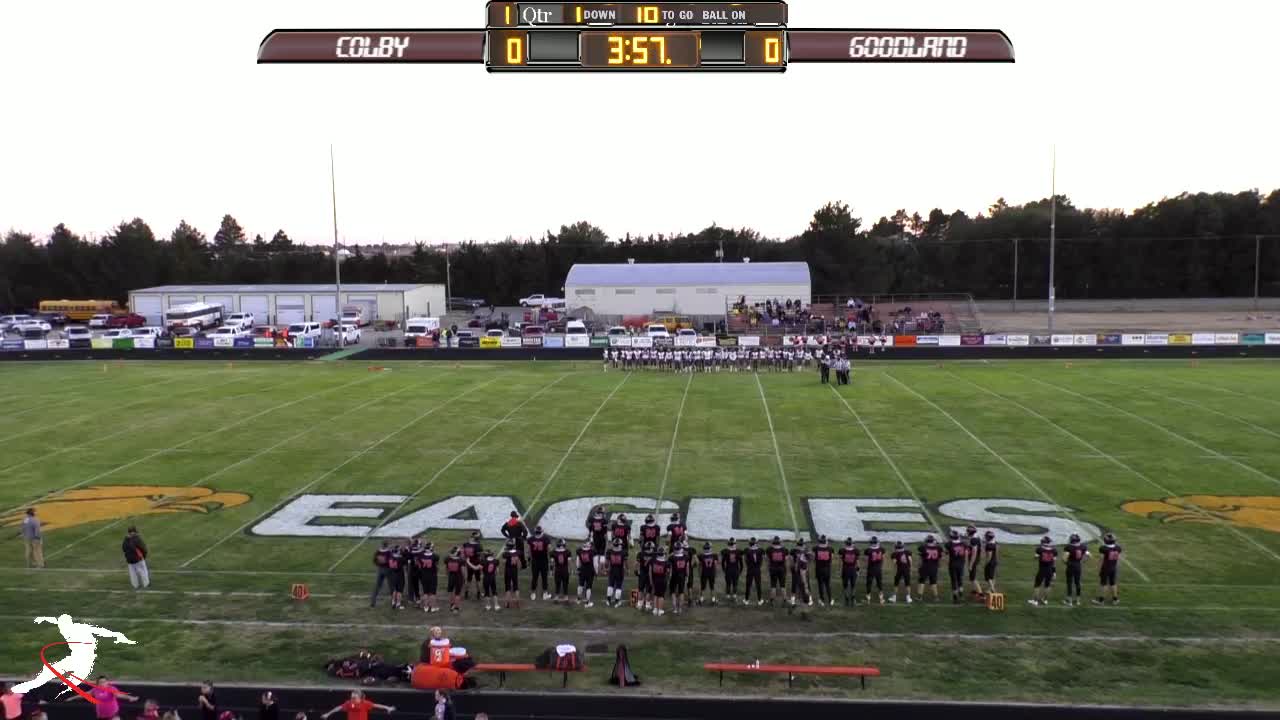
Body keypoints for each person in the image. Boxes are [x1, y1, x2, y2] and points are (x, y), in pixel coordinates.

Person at [320, 691, 394, 720]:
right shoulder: (348, 703)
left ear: (359, 696)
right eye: (352, 695)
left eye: (354, 696)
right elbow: (338, 708)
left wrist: (387, 708)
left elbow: (376, 705)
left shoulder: (365, 703)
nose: (352, 697)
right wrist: (328, 714)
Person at [1094, 532, 1123, 605]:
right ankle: (1115, 599)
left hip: (1106, 568)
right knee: (1113, 583)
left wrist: (1099, 567)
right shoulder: (1118, 548)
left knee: (1103, 584)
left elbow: (1101, 559)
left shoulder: (1103, 548)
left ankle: (1101, 600)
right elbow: (1118, 558)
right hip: (1113, 567)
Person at [1029, 536, 1058, 606]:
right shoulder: (1054, 550)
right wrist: (1054, 572)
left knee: (1037, 585)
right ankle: (1045, 600)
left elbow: (1035, 557)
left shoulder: (1039, 549)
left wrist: (1039, 556)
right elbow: (1054, 562)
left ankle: (1035, 601)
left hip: (1042, 569)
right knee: (1047, 586)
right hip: (1050, 570)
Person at [1063, 533, 1089, 606]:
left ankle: (1069, 601)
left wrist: (1067, 563)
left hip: (1071, 565)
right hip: (1078, 565)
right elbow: (1088, 555)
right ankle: (1078, 601)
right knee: (1077, 582)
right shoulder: (1083, 546)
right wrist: (1082, 561)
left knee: (1069, 583)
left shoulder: (1068, 547)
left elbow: (1064, 558)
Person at [527, 527, 551, 601]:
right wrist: (550, 559)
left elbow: (528, 550)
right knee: (544, 577)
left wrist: (529, 559)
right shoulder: (546, 538)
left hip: (535, 560)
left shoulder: (531, 539)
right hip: (544, 560)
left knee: (534, 577)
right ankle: (545, 594)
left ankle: (533, 594)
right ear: (541, 532)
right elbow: (549, 549)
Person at [416, 541, 440, 613]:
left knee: (425, 592)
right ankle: (433, 607)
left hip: (424, 575)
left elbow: (418, 563)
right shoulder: (435, 556)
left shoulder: (421, 555)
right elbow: (436, 565)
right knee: (432, 593)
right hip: (432, 575)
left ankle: (426, 607)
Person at [916, 535, 942, 602]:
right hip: (934, 567)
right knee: (933, 582)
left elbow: (920, 558)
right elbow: (939, 558)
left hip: (925, 566)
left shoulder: (922, 547)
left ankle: (919, 597)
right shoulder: (938, 548)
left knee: (921, 581)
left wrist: (919, 566)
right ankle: (936, 597)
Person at [946, 529, 968, 604]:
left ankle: (955, 597)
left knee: (953, 580)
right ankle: (961, 594)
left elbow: (947, 552)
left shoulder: (949, 544)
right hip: (961, 564)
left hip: (952, 564)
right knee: (960, 579)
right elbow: (966, 552)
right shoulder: (964, 544)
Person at [586, 506, 609, 574]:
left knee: (595, 554)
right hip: (602, 538)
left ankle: (595, 570)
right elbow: (605, 532)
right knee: (602, 554)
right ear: (601, 513)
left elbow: (590, 528)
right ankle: (602, 570)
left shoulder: (592, 519)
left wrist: (590, 535)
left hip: (595, 537)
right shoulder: (604, 520)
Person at [789, 539, 811, 608]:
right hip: (804, 570)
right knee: (805, 585)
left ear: (797, 544)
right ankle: (809, 600)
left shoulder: (793, 550)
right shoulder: (806, 551)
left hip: (796, 570)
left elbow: (792, 561)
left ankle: (793, 601)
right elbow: (809, 560)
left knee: (794, 585)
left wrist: (792, 568)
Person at [839, 538, 861, 606]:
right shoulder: (856, 551)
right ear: (852, 543)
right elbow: (857, 562)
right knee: (853, 585)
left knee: (845, 585)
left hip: (845, 569)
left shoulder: (842, 550)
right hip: (852, 569)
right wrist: (858, 570)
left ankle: (847, 599)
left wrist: (840, 570)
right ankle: (853, 599)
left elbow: (841, 562)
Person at [812, 536, 834, 606]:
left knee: (820, 585)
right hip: (827, 569)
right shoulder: (830, 549)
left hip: (819, 569)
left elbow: (813, 558)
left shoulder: (815, 548)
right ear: (826, 541)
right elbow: (831, 559)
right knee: (827, 585)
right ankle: (830, 600)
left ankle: (822, 600)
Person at [766, 537, 788, 606]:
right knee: (783, 585)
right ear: (779, 542)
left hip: (773, 569)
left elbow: (767, 559)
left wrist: (769, 566)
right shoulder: (784, 549)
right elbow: (786, 559)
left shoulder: (769, 549)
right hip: (781, 569)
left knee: (773, 585)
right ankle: (784, 601)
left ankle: (772, 601)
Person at [461, 532, 483, 600]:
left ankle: (466, 593)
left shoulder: (465, 544)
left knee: (469, 579)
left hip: (468, 563)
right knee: (478, 579)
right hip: (476, 563)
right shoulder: (478, 546)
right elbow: (480, 556)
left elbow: (463, 554)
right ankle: (479, 593)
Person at [370, 541, 392, 608]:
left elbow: (374, 560)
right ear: (387, 545)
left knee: (377, 586)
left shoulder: (378, 552)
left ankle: (373, 602)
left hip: (380, 569)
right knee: (391, 585)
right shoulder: (389, 552)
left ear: (382, 545)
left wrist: (378, 564)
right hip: (388, 569)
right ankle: (394, 601)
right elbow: (391, 561)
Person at [864, 536, 886, 604]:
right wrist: (881, 565)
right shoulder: (881, 549)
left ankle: (868, 598)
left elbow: (866, 559)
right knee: (879, 583)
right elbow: (883, 558)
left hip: (871, 568)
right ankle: (881, 598)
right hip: (878, 568)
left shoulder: (868, 550)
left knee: (869, 583)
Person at [669, 542, 689, 614]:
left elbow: (670, 569)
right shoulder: (685, 557)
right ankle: (680, 608)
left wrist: (669, 577)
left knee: (673, 592)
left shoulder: (672, 557)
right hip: (682, 576)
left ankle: (674, 608)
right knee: (681, 592)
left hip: (674, 575)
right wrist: (687, 576)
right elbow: (687, 568)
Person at [648, 547, 669, 616]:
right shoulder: (666, 563)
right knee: (661, 596)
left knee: (656, 594)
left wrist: (651, 580)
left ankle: (655, 610)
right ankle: (659, 610)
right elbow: (668, 573)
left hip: (655, 580)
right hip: (663, 580)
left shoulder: (653, 561)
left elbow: (650, 571)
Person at [501, 539, 522, 609]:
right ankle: (518, 602)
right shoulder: (517, 552)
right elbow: (519, 562)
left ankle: (507, 603)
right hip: (514, 570)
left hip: (508, 570)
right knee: (516, 587)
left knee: (508, 587)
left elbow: (504, 562)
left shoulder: (506, 554)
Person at [720, 539, 742, 605]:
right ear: (734, 544)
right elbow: (741, 563)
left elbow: (723, 562)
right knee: (735, 583)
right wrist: (740, 571)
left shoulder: (725, 551)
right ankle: (734, 595)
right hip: (735, 570)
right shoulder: (738, 552)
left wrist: (724, 570)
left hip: (728, 570)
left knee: (728, 583)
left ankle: (728, 595)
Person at [744, 538, 764, 606]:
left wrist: (748, 566)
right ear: (756, 543)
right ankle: (759, 600)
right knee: (758, 585)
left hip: (750, 569)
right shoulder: (760, 550)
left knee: (748, 585)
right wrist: (759, 566)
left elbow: (745, 560)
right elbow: (761, 559)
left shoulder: (747, 550)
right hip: (757, 569)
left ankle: (746, 600)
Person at [697, 542, 718, 606]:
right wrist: (715, 572)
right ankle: (713, 599)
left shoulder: (701, 556)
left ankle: (701, 598)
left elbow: (700, 565)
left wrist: (699, 573)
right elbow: (715, 564)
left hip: (704, 573)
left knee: (703, 587)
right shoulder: (714, 555)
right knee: (712, 587)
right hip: (711, 572)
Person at [387, 542, 407, 611]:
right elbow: (405, 561)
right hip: (399, 575)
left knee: (394, 590)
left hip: (392, 575)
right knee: (399, 591)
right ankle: (398, 604)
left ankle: (393, 602)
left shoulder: (390, 557)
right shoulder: (401, 559)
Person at [966, 526, 985, 598]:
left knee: (973, 577)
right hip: (976, 558)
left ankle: (981, 594)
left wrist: (971, 564)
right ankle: (974, 590)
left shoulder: (973, 540)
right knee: (971, 576)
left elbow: (974, 553)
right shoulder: (976, 537)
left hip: (973, 559)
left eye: (967, 531)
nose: (966, 532)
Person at [444, 547, 465, 613]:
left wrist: (448, 575)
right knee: (457, 593)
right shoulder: (461, 560)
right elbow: (463, 571)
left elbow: (446, 569)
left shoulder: (447, 559)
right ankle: (456, 608)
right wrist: (464, 578)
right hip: (459, 577)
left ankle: (452, 605)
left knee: (451, 592)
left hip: (451, 577)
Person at [576, 542, 596, 608]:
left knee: (580, 584)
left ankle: (578, 599)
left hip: (582, 569)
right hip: (590, 570)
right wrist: (596, 571)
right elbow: (595, 563)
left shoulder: (580, 551)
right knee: (588, 586)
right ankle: (587, 602)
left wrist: (578, 568)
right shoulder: (592, 552)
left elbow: (578, 561)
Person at [552, 538, 571, 603]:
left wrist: (551, 570)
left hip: (557, 570)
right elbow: (569, 562)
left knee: (557, 584)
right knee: (565, 584)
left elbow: (552, 562)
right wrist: (570, 569)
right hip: (565, 569)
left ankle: (556, 597)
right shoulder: (567, 552)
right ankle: (566, 597)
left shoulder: (553, 552)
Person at [982, 530, 1000, 595]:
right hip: (994, 561)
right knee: (992, 576)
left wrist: (986, 563)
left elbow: (989, 556)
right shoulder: (995, 543)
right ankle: (989, 589)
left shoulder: (989, 545)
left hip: (990, 562)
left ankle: (993, 590)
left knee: (988, 577)